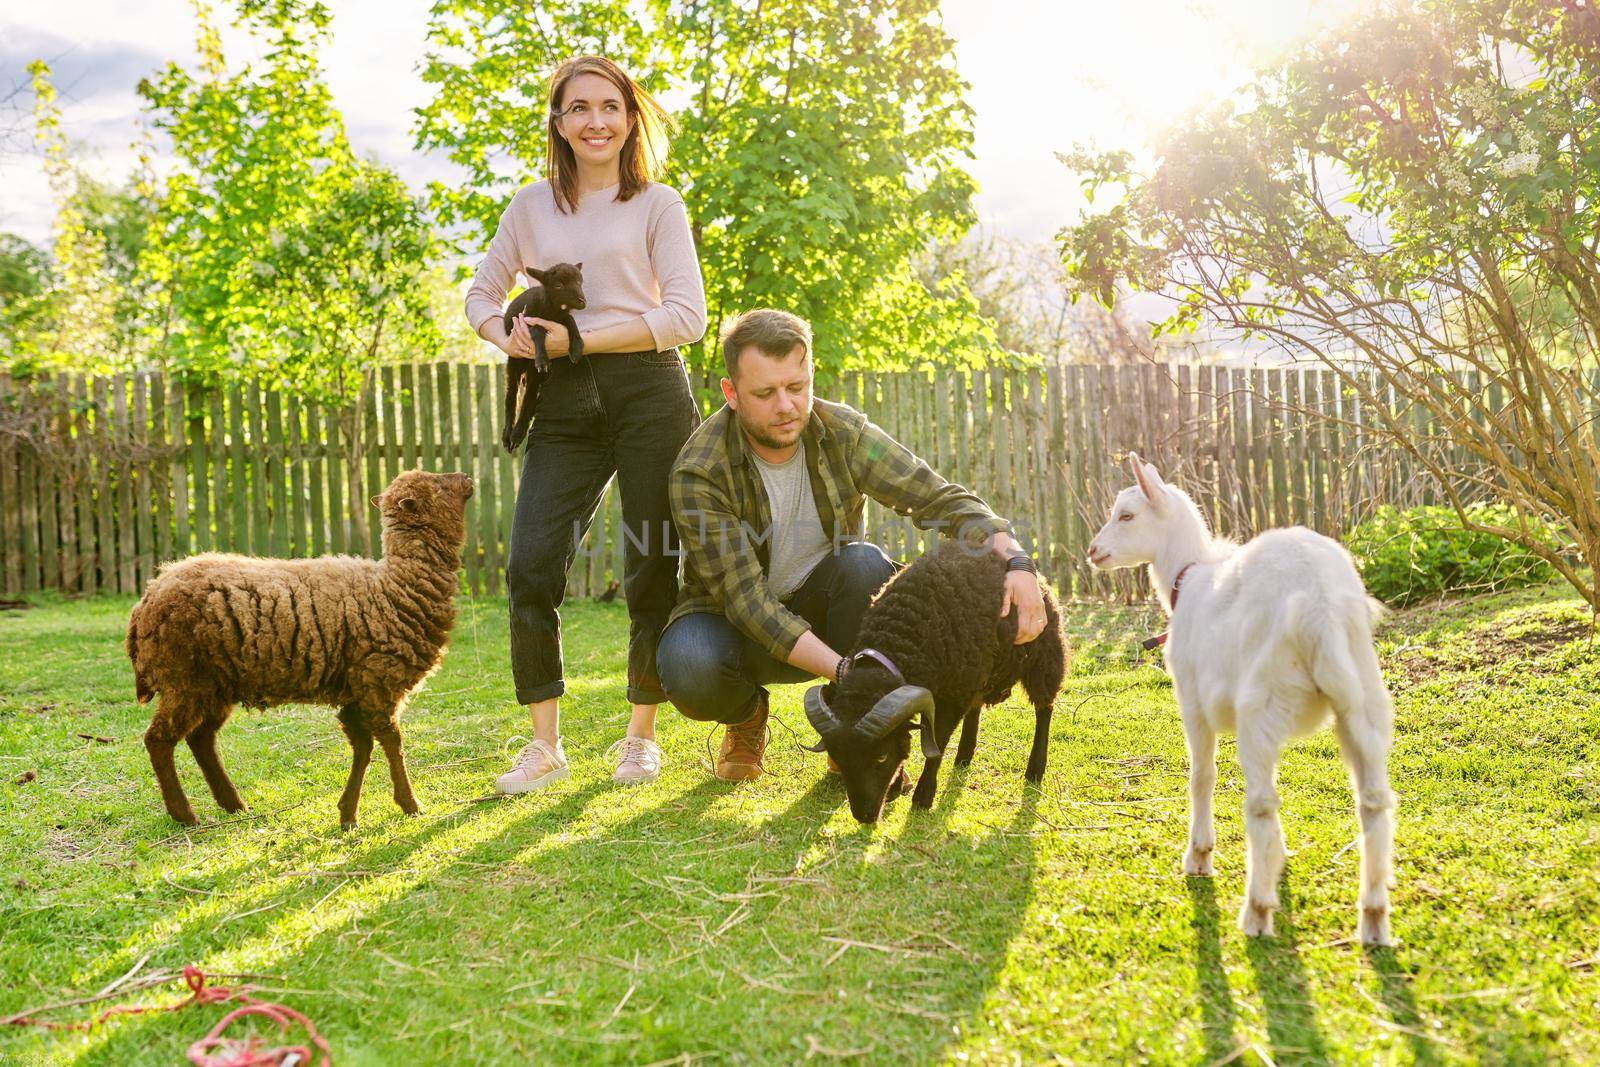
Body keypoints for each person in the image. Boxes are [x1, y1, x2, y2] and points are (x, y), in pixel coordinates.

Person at [656, 308, 1047, 780]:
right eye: (765, 392)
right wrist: (847, 671)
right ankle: (746, 719)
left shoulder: (844, 432)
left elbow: (937, 497)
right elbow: (747, 602)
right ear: (731, 394)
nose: (786, 405)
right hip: (730, 625)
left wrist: (1019, 563)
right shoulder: (699, 470)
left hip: (826, 606)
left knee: (864, 564)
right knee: (689, 662)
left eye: (797, 387)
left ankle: (852, 726)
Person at [464, 55, 706, 791]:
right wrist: (499, 332)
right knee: (530, 564)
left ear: (631, 117)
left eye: (609, 106)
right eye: (578, 109)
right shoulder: (530, 206)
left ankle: (640, 735)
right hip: (563, 402)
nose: (595, 121)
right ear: (559, 123)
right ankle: (544, 745)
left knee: (649, 564)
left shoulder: (658, 203)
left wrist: (586, 339)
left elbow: (685, 318)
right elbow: (480, 291)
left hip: (649, 391)